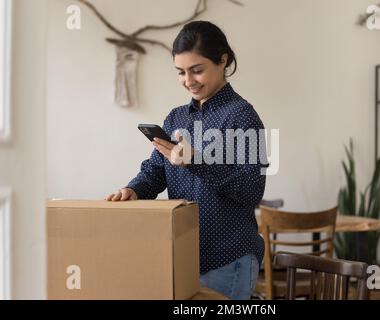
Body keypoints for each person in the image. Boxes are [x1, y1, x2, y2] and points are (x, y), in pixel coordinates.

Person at [106, 20, 268, 300]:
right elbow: (155, 171)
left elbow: (252, 191)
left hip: (229, 258)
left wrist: (196, 161)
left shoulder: (244, 116)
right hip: (182, 256)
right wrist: (133, 189)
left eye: (197, 70)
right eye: (180, 72)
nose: (188, 81)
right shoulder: (176, 117)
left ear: (222, 60)